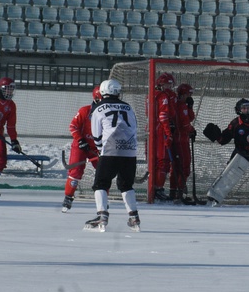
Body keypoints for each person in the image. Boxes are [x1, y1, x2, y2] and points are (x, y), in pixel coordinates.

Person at [83, 79, 140, 232]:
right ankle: (133, 217)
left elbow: (96, 134)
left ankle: (102, 215)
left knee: (100, 184)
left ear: (102, 91)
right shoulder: (128, 107)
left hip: (110, 150)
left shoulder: (99, 108)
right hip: (130, 150)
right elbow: (135, 127)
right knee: (126, 185)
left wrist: (100, 148)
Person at [61, 86, 102, 213]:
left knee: (103, 173)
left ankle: (102, 201)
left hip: (97, 147)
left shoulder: (108, 113)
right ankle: (68, 197)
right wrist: (80, 140)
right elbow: (73, 126)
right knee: (75, 173)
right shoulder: (85, 111)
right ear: (96, 98)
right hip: (81, 146)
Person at [150, 72, 177, 201]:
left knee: (154, 161)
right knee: (163, 162)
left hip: (151, 129)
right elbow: (163, 116)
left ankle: (153, 187)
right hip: (160, 131)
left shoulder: (151, 95)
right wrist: (168, 133)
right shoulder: (163, 96)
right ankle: (158, 188)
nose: (170, 88)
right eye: (167, 85)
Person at [169, 83, 196, 202]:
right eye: (188, 94)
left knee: (176, 166)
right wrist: (192, 130)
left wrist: (190, 107)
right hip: (181, 140)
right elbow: (185, 124)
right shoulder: (180, 106)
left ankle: (174, 191)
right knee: (184, 166)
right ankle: (179, 191)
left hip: (178, 139)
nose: (189, 96)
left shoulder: (181, 105)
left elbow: (189, 118)